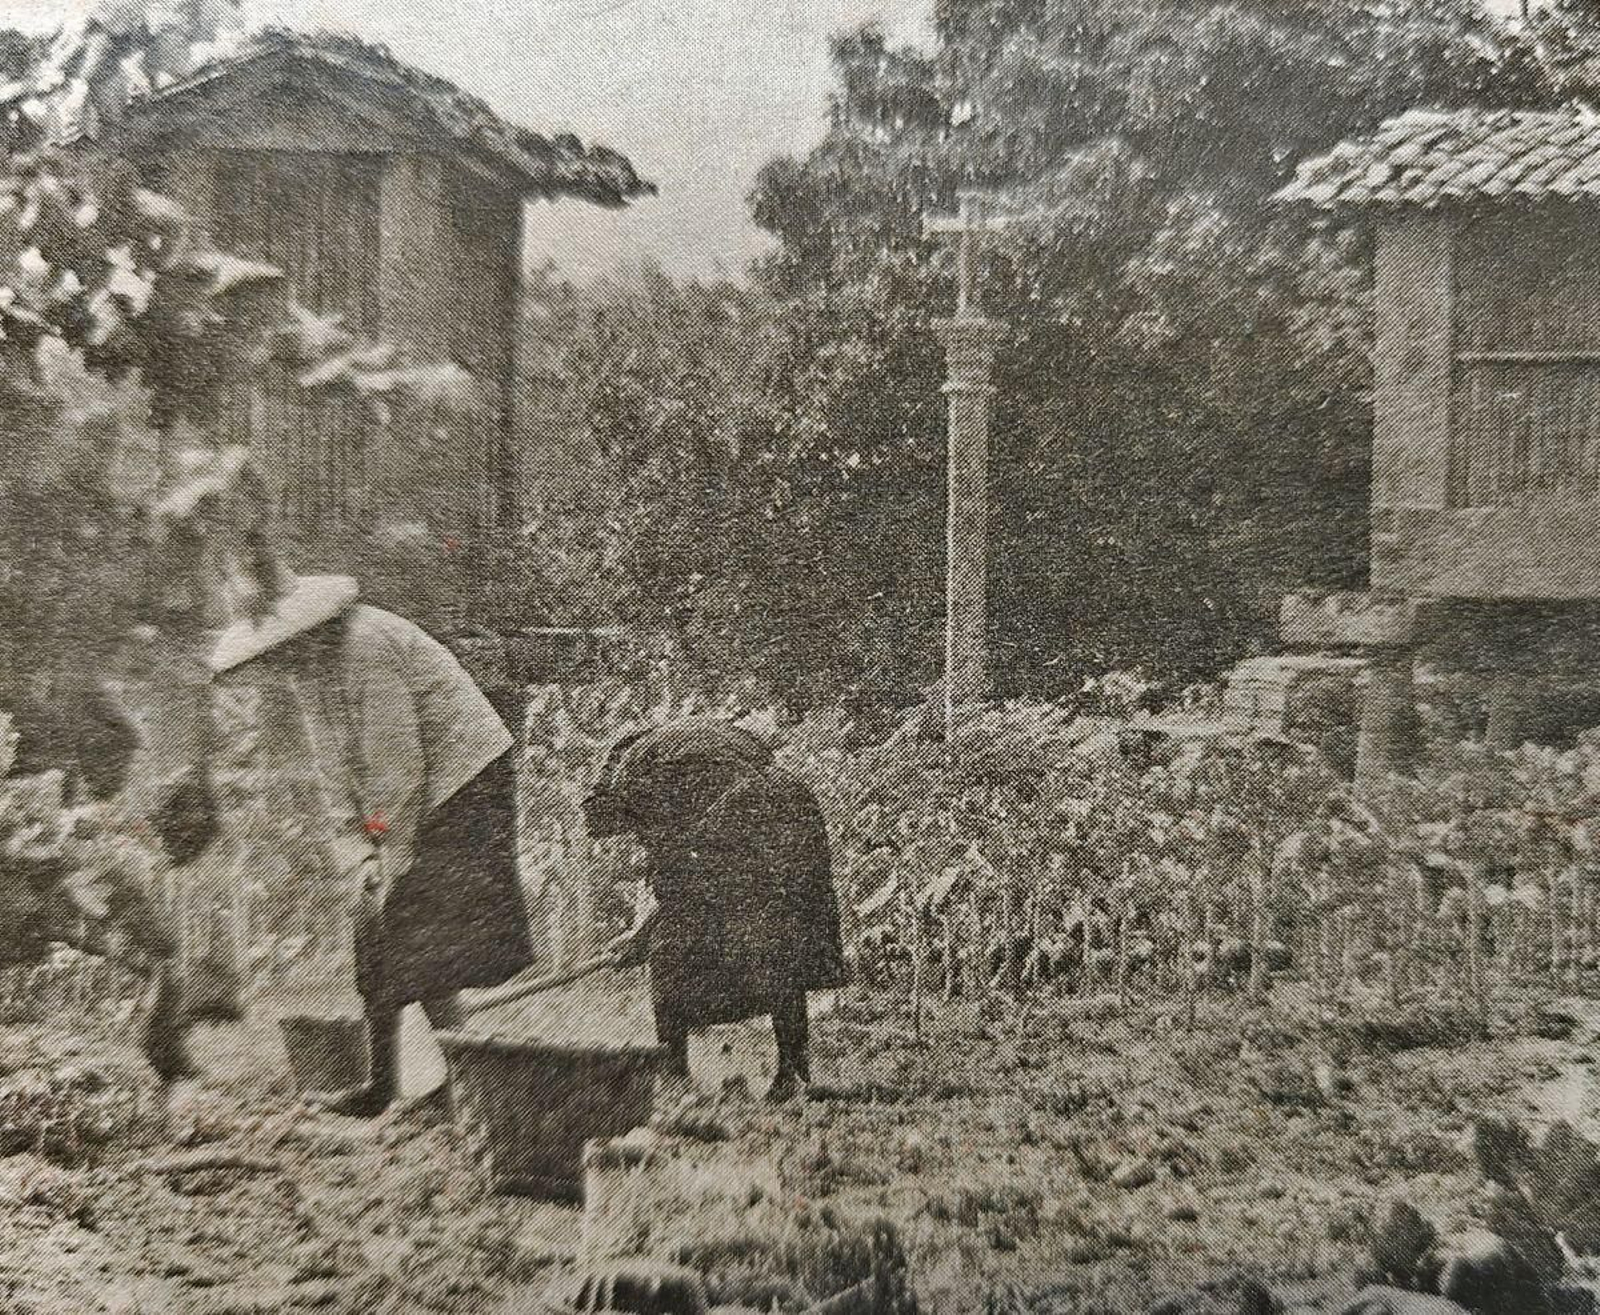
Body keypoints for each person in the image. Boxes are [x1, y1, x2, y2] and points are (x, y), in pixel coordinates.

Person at [147, 446, 534, 1116]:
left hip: (463, 777)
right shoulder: (312, 677)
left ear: (306, 632)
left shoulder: (363, 649)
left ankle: (448, 1081)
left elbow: (395, 770)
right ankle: (387, 1082)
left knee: (418, 929)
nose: (278, 664)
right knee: (375, 929)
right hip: (408, 796)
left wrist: (389, 849)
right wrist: (359, 857)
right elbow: (337, 786)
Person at [582, 718, 846, 1101]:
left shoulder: (640, 786)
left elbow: (683, 895)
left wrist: (641, 938)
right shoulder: (669, 754)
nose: (632, 838)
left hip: (751, 817)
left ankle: (676, 1070)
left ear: (617, 809)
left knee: (671, 948)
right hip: (793, 804)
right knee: (780, 939)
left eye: (626, 830)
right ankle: (794, 1070)